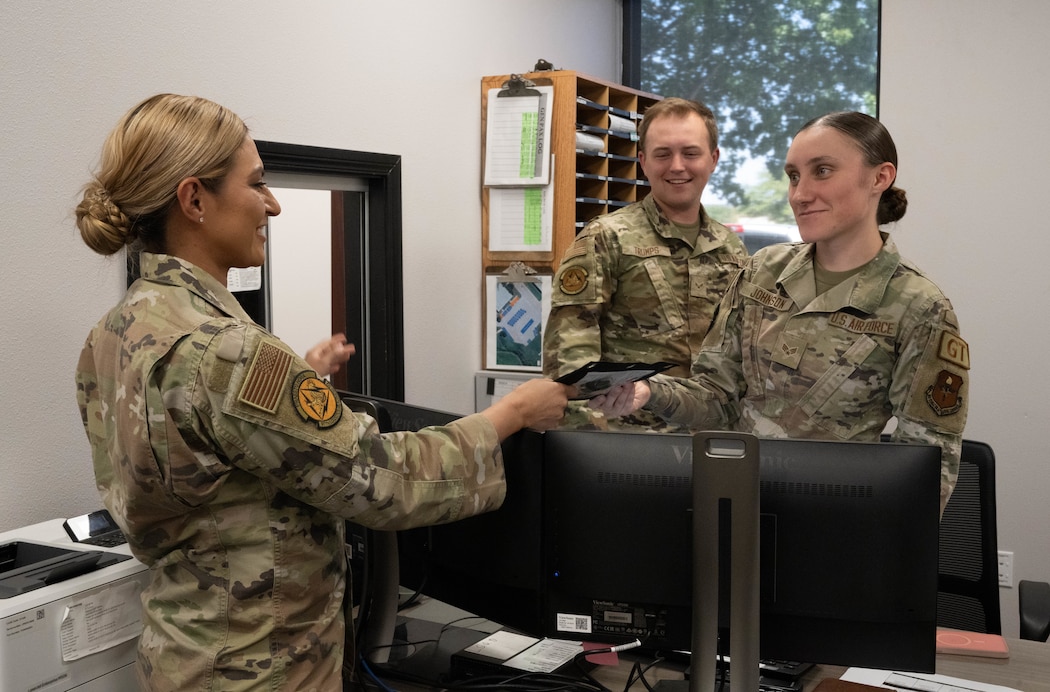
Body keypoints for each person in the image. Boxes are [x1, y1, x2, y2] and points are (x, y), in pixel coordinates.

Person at [73, 93, 572, 692]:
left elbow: (202, 455)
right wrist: (512, 411)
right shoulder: (228, 352)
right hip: (263, 668)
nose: (273, 205)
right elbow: (381, 481)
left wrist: (297, 377)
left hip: (182, 657)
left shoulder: (115, 333)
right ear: (194, 199)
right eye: (257, 184)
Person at [592, 111, 969, 513]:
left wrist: (881, 557)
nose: (800, 194)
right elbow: (717, 397)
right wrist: (646, 392)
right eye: (793, 176)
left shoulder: (918, 305)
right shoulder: (761, 273)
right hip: (735, 507)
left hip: (835, 519)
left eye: (822, 171)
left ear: (880, 178)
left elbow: (929, 463)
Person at [542, 97, 747, 431]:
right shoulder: (606, 237)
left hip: (710, 435)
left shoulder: (732, 248)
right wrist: (591, 425)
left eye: (690, 153)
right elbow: (568, 352)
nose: (677, 166)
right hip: (629, 437)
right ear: (643, 162)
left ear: (713, 159)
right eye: (663, 154)